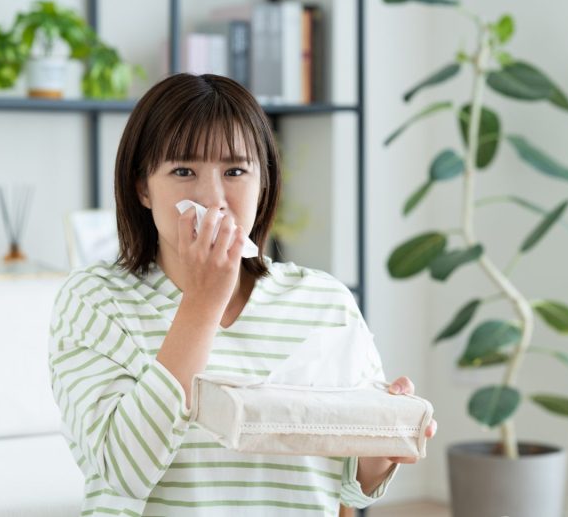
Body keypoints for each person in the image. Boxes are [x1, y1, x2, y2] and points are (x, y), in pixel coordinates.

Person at [49, 73, 437, 516]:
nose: (213, 199)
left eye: (235, 171)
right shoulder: (95, 300)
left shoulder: (326, 301)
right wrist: (202, 303)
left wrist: (385, 444)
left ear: (263, 182)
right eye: (183, 171)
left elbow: (352, 487)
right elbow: (122, 472)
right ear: (142, 188)